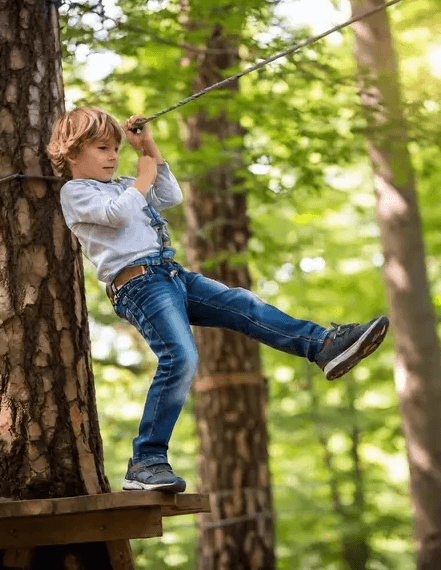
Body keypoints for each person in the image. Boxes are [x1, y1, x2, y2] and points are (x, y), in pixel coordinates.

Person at [47, 106, 389, 494]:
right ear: (73, 154)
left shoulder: (124, 182)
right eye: (102, 148)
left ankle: (322, 346)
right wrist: (140, 181)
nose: (113, 156)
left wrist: (150, 149)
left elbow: (170, 196)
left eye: (115, 149)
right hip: (139, 286)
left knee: (243, 303)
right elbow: (118, 214)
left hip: (171, 274)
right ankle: (146, 461)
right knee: (181, 357)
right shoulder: (76, 192)